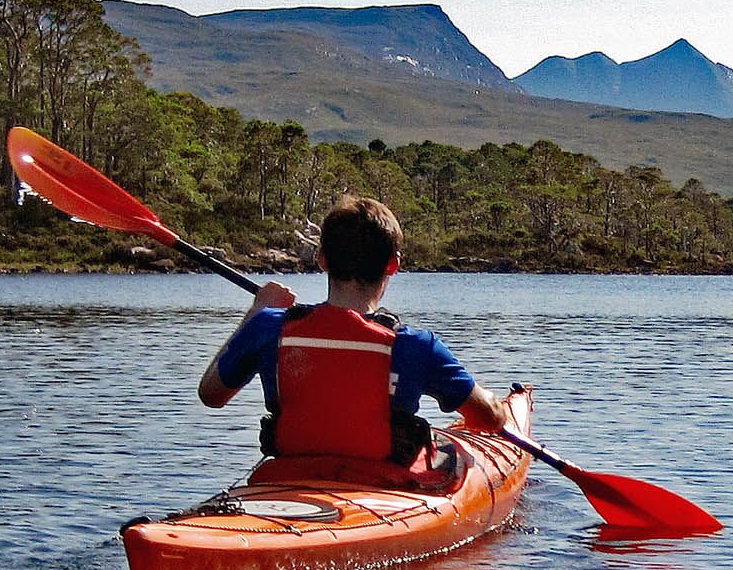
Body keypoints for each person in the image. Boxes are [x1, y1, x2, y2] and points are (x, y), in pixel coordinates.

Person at [199, 195, 508, 481]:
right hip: (381, 486)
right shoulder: (416, 346)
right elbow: (490, 417)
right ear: (393, 264)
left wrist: (256, 312)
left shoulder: (267, 327)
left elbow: (211, 394)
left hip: (287, 476)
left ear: (322, 259)